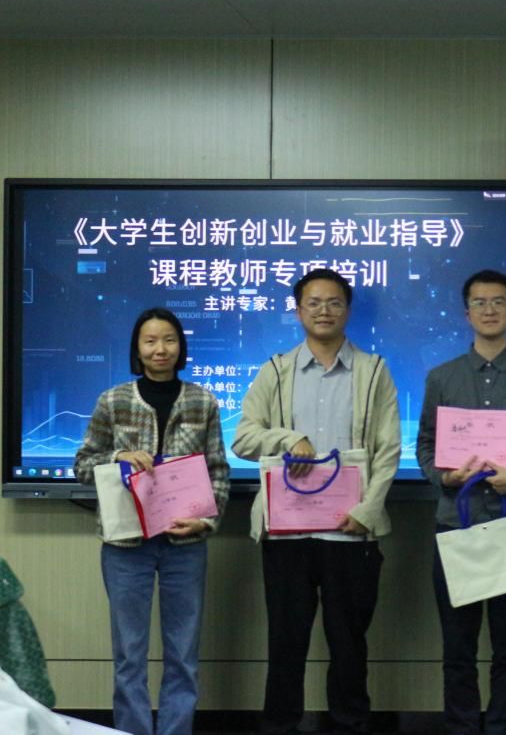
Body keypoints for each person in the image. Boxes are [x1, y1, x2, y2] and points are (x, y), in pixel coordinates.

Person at [233, 267, 401, 735]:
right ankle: (280, 725)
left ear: (347, 310)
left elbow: (388, 450)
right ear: (298, 310)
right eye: (313, 302)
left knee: (349, 643)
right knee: (285, 642)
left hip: (350, 529)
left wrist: (368, 511)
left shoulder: (373, 371)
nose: (323, 311)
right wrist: (289, 438)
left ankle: (349, 723)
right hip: (287, 533)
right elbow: (243, 439)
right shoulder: (275, 370)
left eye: (333, 302)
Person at [418, 269, 506, 735]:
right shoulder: (442, 378)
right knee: (458, 647)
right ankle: (462, 726)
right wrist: (445, 475)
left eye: (498, 302)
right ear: (467, 314)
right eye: (479, 302)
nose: (489, 310)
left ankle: (502, 726)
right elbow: (425, 446)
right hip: (455, 523)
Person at [73, 307, 230, 735]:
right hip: (127, 545)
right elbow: (83, 465)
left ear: (181, 346)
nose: (161, 349)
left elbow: (218, 471)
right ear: (137, 349)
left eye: (169, 340)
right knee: (129, 654)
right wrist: (118, 456)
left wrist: (206, 523)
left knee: (183, 654)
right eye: (150, 341)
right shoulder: (113, 401)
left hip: (186, 543)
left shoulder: (203, 400)